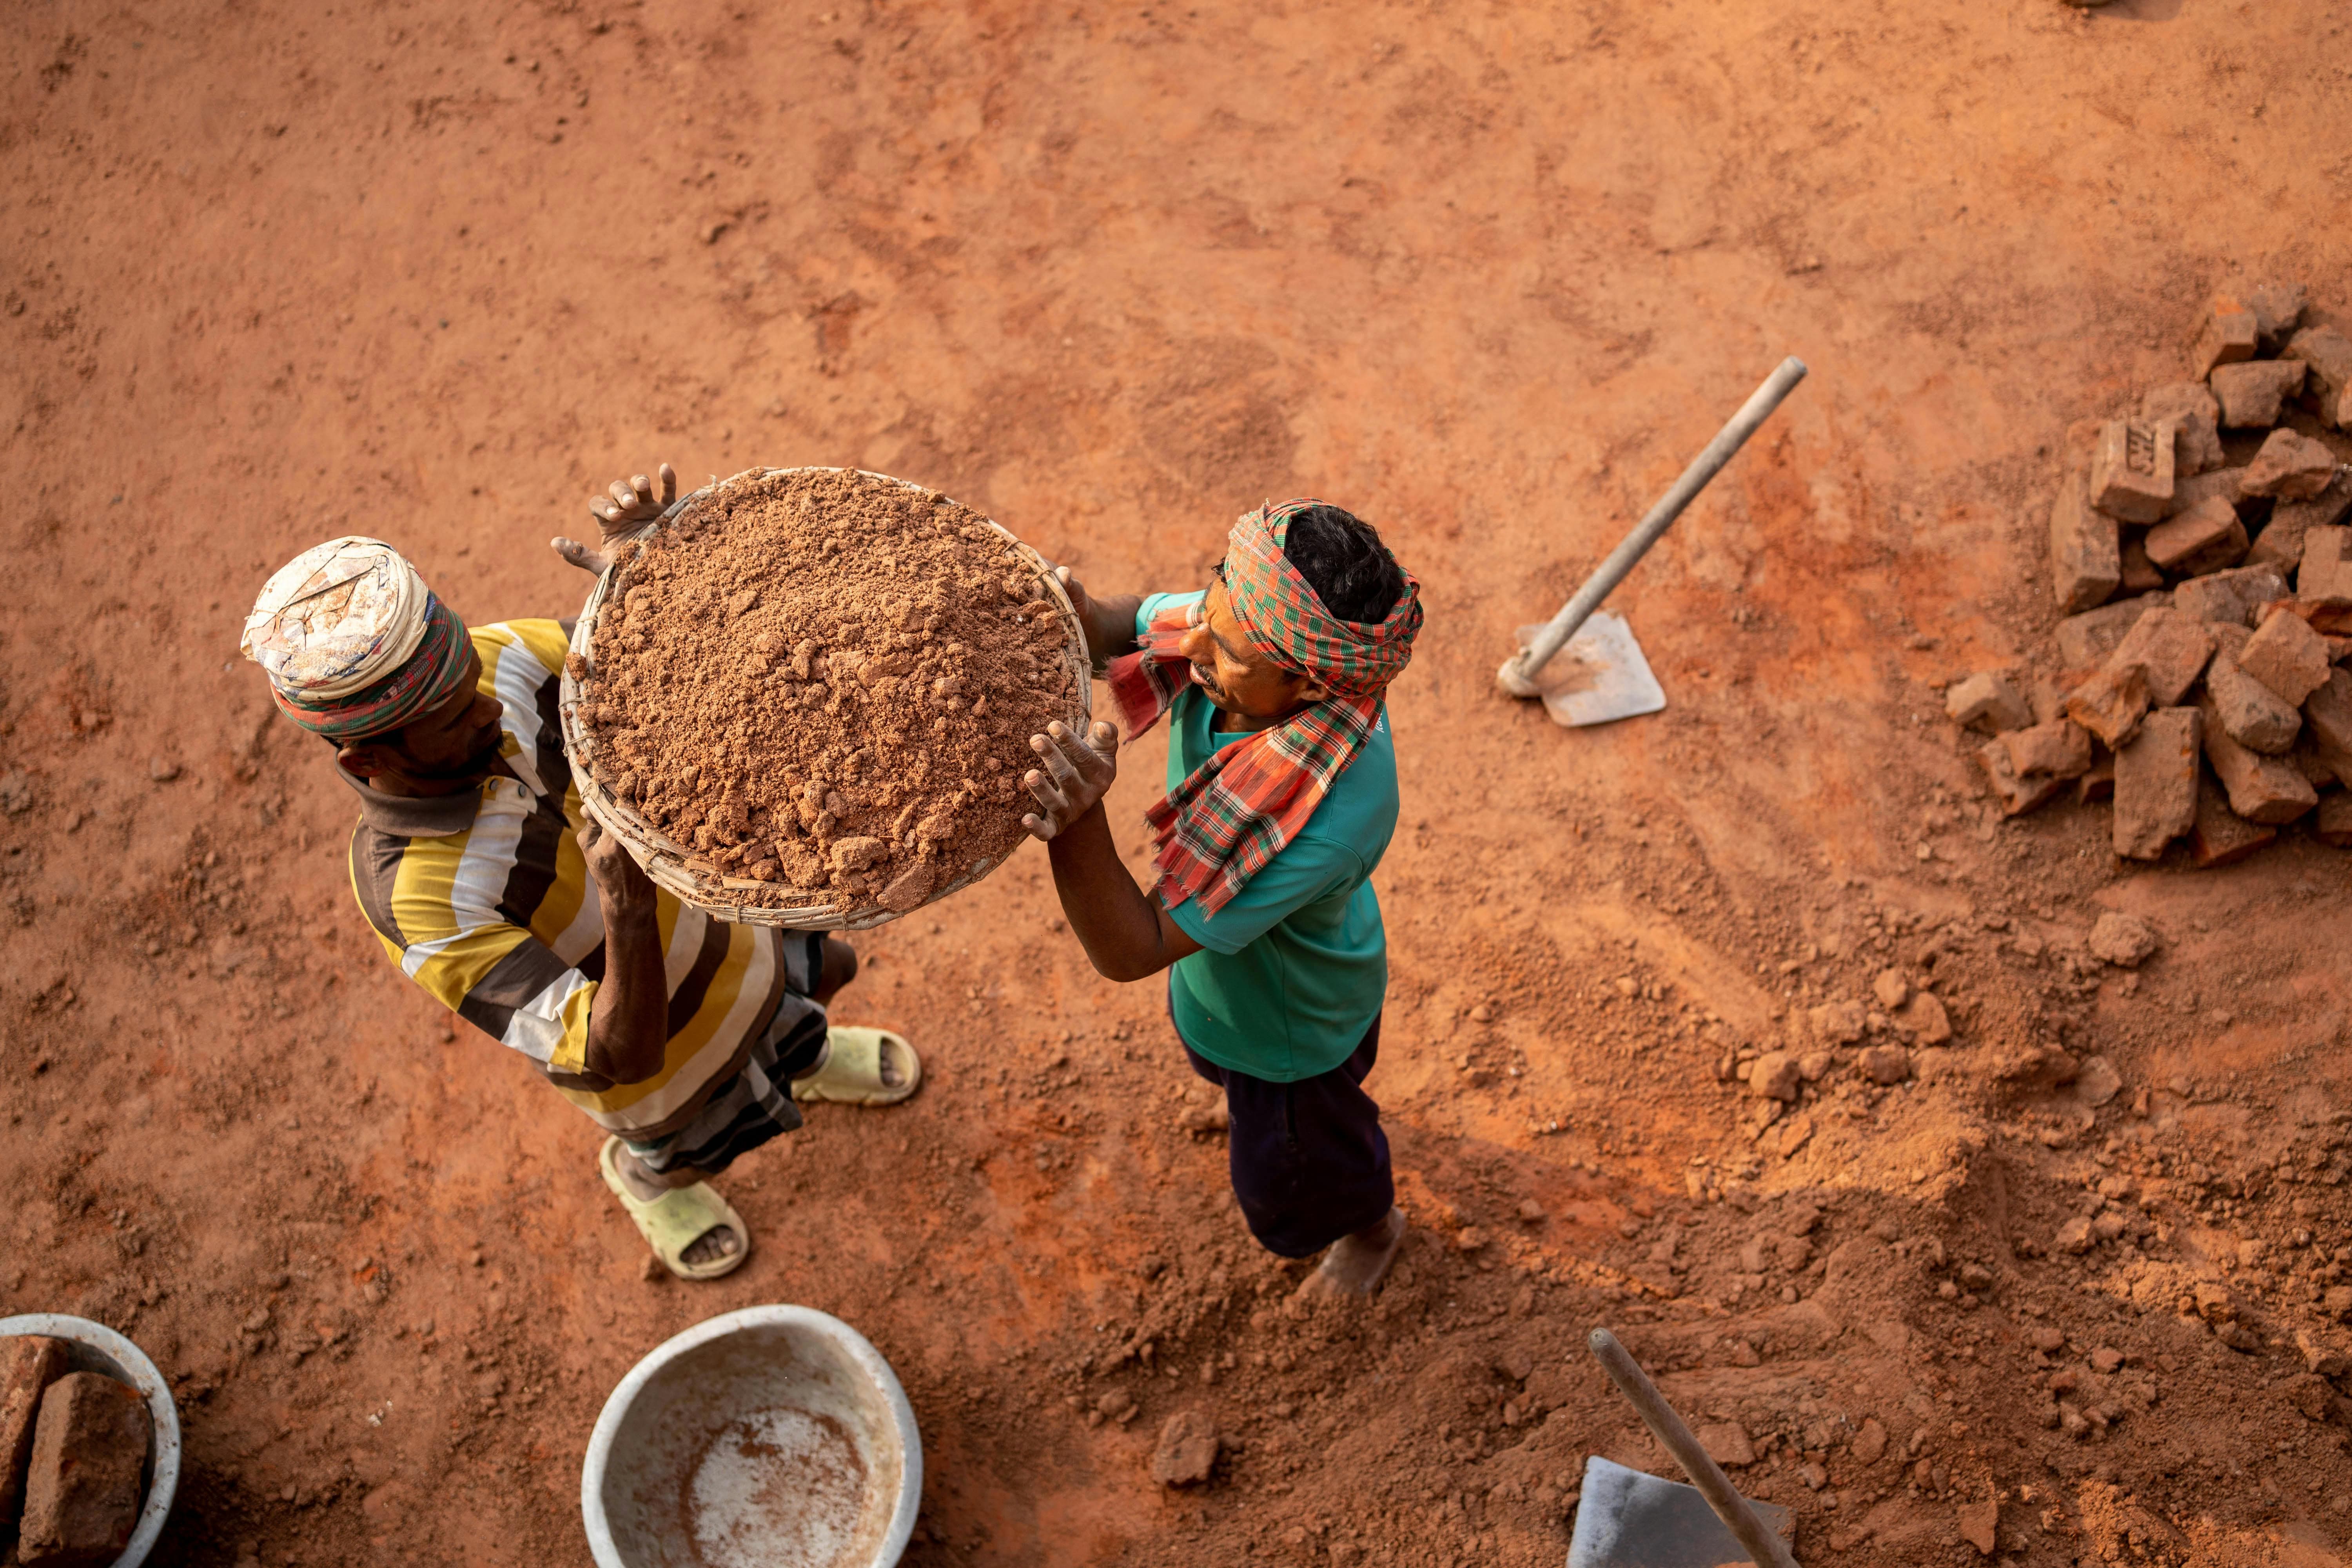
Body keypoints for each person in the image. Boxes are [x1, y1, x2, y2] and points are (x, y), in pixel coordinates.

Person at [240, 464, 920, 1281]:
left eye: (473, 683)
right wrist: (627, 909)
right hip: (667, 1070)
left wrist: (657, 578)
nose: (490, 704)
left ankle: (803, 1055)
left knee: (823, 974)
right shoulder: (417, 897)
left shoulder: (498, 662)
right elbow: (614, 1054)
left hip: (741, 929)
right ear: (368, 757)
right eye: (456, 717)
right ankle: (646, 1178)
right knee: (699, 1144)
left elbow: (652, 674)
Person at [1020, 499, 1422, 1298]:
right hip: (1227, 981)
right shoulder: (1243, 627)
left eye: (1224, 648)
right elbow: (1129, 623)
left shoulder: (1322, 813)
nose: (1189, 641)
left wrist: (1076, 821)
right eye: (1210, 602)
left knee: (1300, 1173)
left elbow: (1133, 946)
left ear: (1304, 680)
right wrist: (1073, 610)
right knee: (1231, 1073)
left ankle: (1371, 1226)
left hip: (1288, 1032)